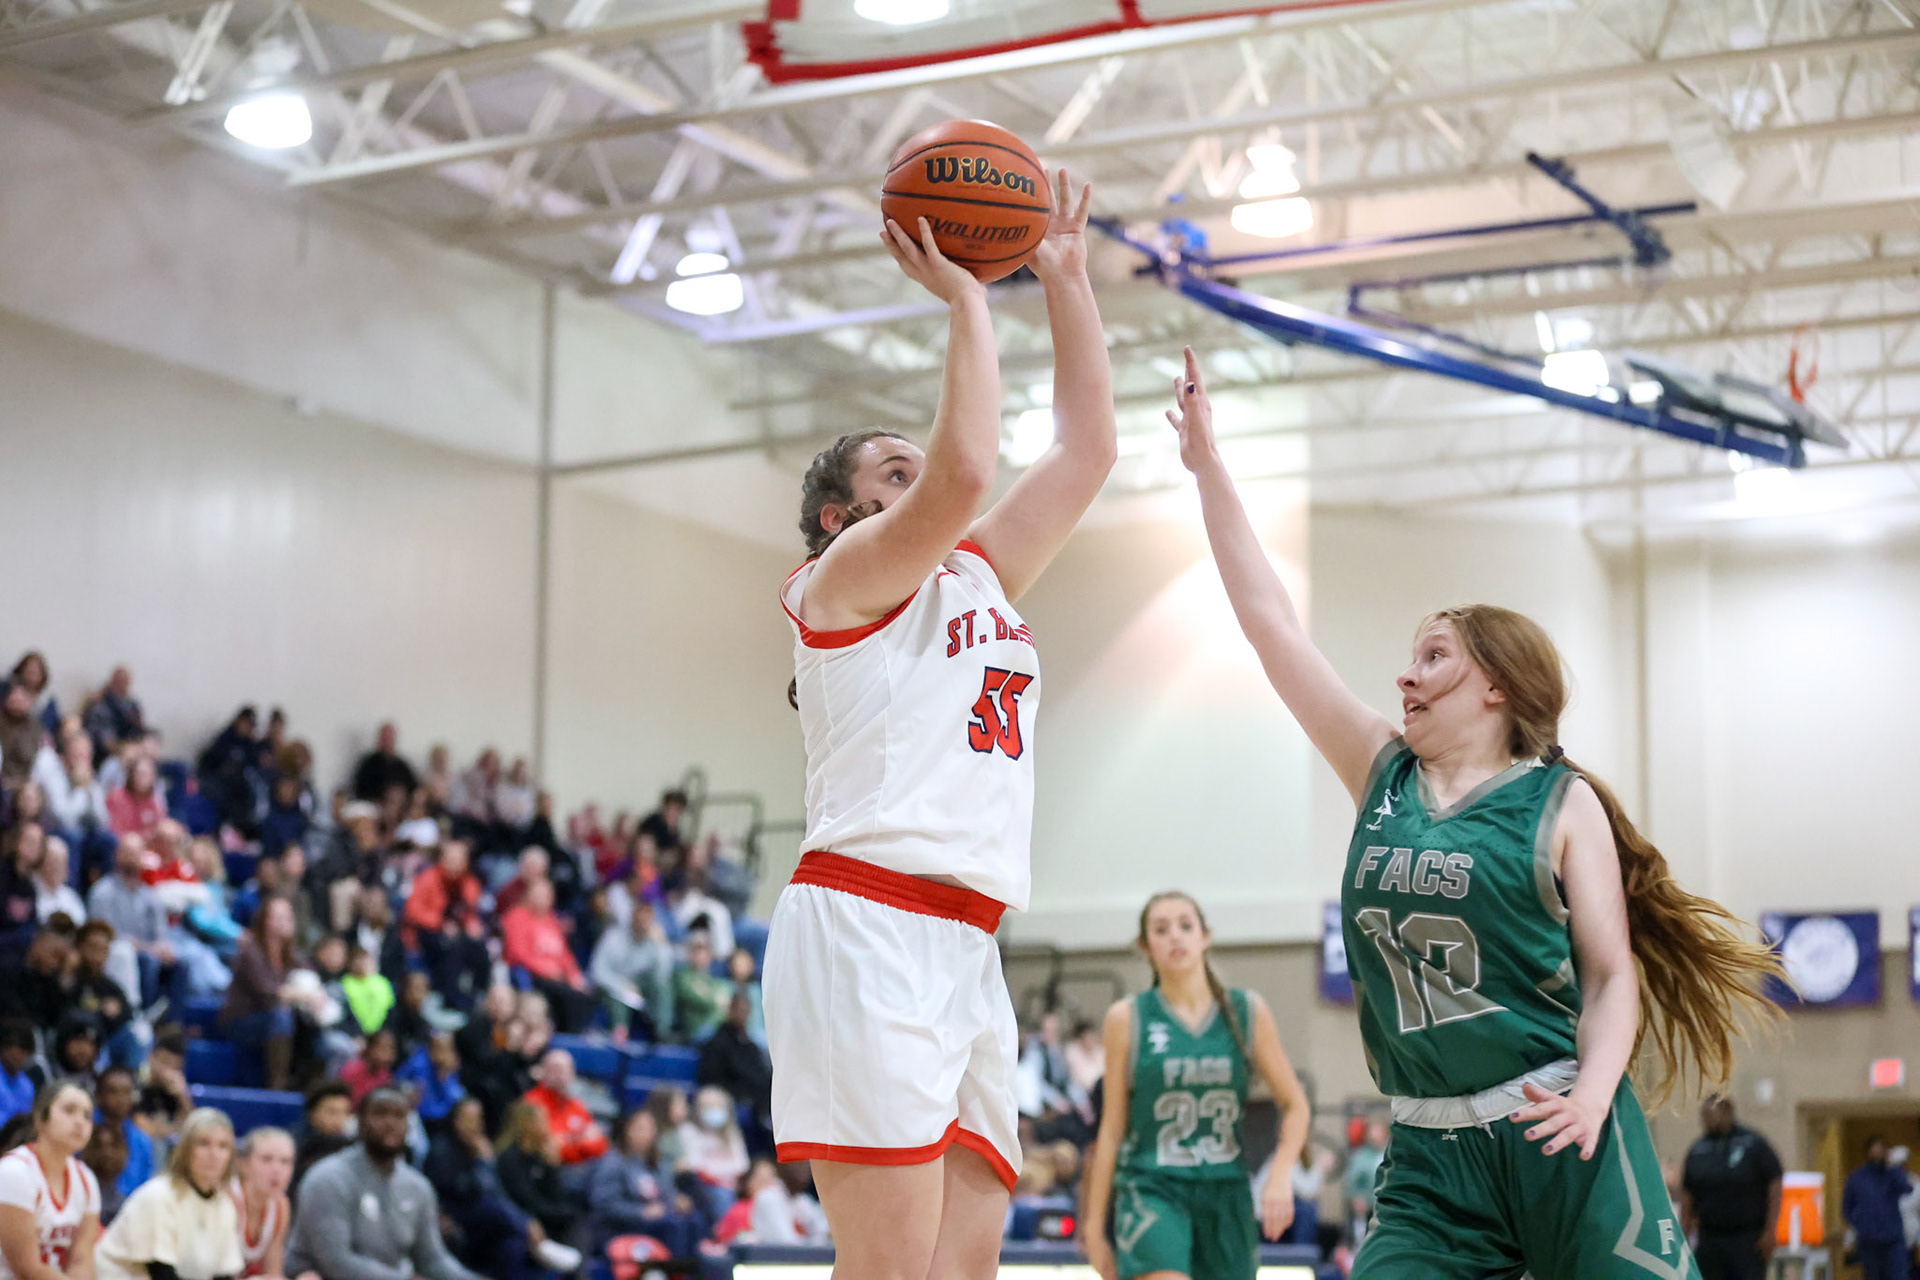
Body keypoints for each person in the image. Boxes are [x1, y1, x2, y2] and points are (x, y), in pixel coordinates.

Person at [1164, 349, 1783, 1280]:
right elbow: (1270, 625)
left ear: (1496, 683)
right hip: (1428, 1158)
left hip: (1555, 1128)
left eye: (1434, 657)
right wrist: (1210, 469)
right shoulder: (1380, 772)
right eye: (1411, 659)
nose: (1406, 676)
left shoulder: (1561, 803)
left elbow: (1612, 977)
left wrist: (1596, 1094)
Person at [766, 169, 1115, 1279]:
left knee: (965, 1270)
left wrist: (1062, 278)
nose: (926, 479)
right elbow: (966, 466)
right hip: (867, 922)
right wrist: (968, 296)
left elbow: (1088, 451)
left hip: (969, 940)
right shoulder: (842, 580)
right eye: (892, 471)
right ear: (843, 514)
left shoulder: (974, 576)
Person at [1079, 892, 1309, 1280]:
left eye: (1186, 925)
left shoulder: (1246, 1010)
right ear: (1145, 946)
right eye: (1161, 929)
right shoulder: (1128, 1018)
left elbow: (1295, 1105)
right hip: (1153, 1186)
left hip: (1227, 1190)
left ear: (1205, 936)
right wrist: (1092, 1225)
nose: (1175, 937)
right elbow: (1112, 1129)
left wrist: (1281, 1172)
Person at [284, 1088, 481, 1280]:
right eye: (380, 1114)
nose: (390, 1123)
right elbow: (335, 1262)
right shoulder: (328, 1178)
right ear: (360, 1122)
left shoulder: (418, 1187)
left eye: (399, 1116)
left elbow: (432, 1259)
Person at [95, 1108, 242, 1280]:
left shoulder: (224, 1206)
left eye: (223, 1146)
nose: (214, 1154)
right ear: (185, 1149)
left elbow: (224, 1274)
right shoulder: (158, 1195)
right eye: (203, 1143)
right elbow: (162, 1274)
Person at [421, 1099, 550, 1280]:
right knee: (491, 1209)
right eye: (470, 1119)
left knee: (514, 1247)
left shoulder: (478, 1149)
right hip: (455, 1217)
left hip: (484, 1222)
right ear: (457, 1121)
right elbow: (465, 1191)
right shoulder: (441, 1149)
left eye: (479, 1120)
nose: (477, 1126)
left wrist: (526, 1220)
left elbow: (499, 1193)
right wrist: (484, 1163)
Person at [0, 1081, 101, 1280]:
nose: (79, 1121)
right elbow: (27, 1269)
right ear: (40, 1118)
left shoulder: (87, 1179)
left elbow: (82, 1260)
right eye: (69, 1110)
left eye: (87, 1116)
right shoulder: (14, 1172)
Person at [1680, 1096, 1783, 1280]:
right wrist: (1682, 1238)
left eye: (1708, 1114)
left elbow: (1775, 1185)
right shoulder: (1697, 1150)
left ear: (1726, 1111)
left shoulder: (1753, 1144)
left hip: (1748, 1239)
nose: (1704, 1120)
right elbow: (1687, 1196)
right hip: (1710, 1239)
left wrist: (1770, 1230)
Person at [584, 1109, 703, 1258]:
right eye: (641, 1128)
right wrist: (641, 1212)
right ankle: (672, 1273)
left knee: (694, 1221)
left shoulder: (656, 1162)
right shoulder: (613, 1162)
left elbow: (666, 1193)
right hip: (623, 1226)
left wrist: (675, 1200)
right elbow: (604, 1203)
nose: (648, 1134)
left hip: (658, 1220)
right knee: (674, 1226)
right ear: (627, 1131)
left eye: (651, 1129)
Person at [219, 897, 301, 1091]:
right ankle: (277, 1087)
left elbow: (311, 975)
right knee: (281, 1018)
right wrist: (300, 994)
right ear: (266, 921)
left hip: (272, 1020)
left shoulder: (290, 954)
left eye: (289, 917)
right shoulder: (251, 951)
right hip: (242, 1019)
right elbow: (267, 993)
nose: (287, 922)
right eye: (280, 917)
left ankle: (308, 1086)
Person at [499, 881, 592, 1034]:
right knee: (570, 997)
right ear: (528, 895)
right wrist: (544, 969)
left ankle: (571, 1035)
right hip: (530, 974)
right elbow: (516, 953)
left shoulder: (552, 921)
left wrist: (574, 975)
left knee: (585, 996)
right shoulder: (517, 917)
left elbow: (564, 955)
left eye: (545, 895)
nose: (541, 899)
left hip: (555, 977)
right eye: (537, 895)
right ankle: (565, 1033)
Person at [588, 900, 673, 1044]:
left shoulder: (653, 942)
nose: (642, 923)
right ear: (633, 917)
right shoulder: (613, 937)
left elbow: (663, 974)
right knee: (619, 996)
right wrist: (621, 986)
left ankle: (662, 1034)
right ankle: (619, 1034)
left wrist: (661, 945)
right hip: (612, 987)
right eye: (640, 918)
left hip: (638, 989)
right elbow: (597, 971)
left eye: (647, 919)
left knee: (661, 987)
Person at [492, 1105, 578, 1245]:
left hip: (542, 1214)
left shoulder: (539, 1155)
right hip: (520, 1218)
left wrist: (552, 1167)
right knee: (574, 1219)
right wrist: (562, 1214)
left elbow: (555, 1196)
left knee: (577, 1213)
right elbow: (525, 1200)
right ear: (526, 1124)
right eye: (542, 1121)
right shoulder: (510, 1158)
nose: (547, 1125)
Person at [228, 1127, 296, 1280]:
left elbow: (273, 1273)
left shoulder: (281, 1206)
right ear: (243, 1164)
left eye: (285, 1161)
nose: (277, 1170)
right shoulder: (228, 1199)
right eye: (266, 1159)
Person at [519, 1050, 607, 1167]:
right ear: (542, 1071)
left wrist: (567, 1140)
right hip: (545, 1167)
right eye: (554, 1068)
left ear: (572, 1073)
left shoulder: (576, 1105)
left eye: (565, 1069)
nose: (559, 1074)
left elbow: (600, 1145)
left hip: (580, 1168)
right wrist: (578, 1139)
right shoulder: (531, 1102)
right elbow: (543, 1147)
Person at [695, 994, 771, 1128]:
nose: (742, 1014)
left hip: (757, 1097)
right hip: (732, 1096)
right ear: (730, 1010)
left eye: (745, 1010)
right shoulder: (717, 1042)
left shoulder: (751, 1045)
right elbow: (709, 1078)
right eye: (739, 1009)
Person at [1844, 1136, 1914, 1280]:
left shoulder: (1892, 1174)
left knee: (1898, 1276)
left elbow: (1907, 1188)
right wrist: (1859, 1223)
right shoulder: (1857, 1177)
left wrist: (1893, 1168)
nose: (1877, 1153)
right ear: (1867, 1152)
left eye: (1880, 1149)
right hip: (1868, 1240)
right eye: (1873, 1149)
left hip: (1893, 1239)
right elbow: (1847, 1207)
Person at [90, 1071, 151, 1212]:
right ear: (98, 1096)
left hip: (131, 1214)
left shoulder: (143, 1141)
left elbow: (146, 1189)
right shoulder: (85, 1132)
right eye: (113, 1092)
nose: (121, 1099)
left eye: (126, 1092)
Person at [291, 1082, 354, 1192]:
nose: (339, 1119)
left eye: (345, 1112)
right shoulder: (294, 1145)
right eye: (332, 1112)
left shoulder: (351, 1145)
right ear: (313, 1113)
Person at [670, 934, 730, 1043]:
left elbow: (727, 1002)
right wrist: (718, 1002)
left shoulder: (715, 981)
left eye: (704, 950)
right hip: (698, 1031)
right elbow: (706, 1001)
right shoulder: (682, 977)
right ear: (689, 953)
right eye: (696, 950)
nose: (700, 955)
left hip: (719, 1031)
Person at [351, 724, 416, 806]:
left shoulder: (402, 765)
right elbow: (360, 789)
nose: (387, 742)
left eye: (390, 738)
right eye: (385, 738)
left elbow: (413, 788)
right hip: (374, 807)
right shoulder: (368, 765)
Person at [340, 1029, 399, 1107]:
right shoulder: (351, 1071)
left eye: (391, 1049)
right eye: (383, 1048)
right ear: (370, 1048)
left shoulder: (385, 1075)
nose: (388, 1055)